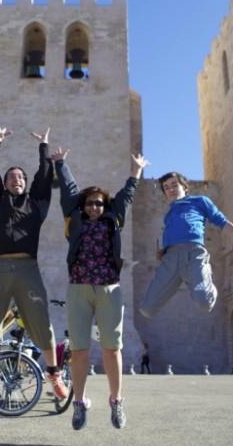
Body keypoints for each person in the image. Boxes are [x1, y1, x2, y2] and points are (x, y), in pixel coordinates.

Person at [0, 123, 68, 401]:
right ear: (4, 183)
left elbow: (44, 176)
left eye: (20, 177)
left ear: (25, 182)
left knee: (42, 322)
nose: (16, 180)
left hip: (28, 269)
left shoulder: (37, 203)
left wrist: (44, 148)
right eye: (11, 177)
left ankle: (54, 374)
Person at [53, 147, 149, 430]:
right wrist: (61, 163)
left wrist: (136, 171)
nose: (94, 207)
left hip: (109, 289)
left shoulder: (114, 218)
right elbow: (69, 190)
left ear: (105, 206)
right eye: (89, 203)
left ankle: (116, 401)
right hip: (79, 289)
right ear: (82, 206)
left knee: (112, 349)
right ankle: (79, 403)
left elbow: (127, 194)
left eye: (98, 203)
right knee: (80, 350)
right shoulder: (75, 219)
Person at [138, 171, 233, 319]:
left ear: (184, 187)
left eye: (174, 185)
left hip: (193, 256)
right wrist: (164, 252)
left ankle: (206, 281)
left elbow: (223, 222)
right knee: (147, 310)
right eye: (166, 188)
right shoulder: (169, 215)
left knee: (204, 303)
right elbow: (174, 237)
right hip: (170, 261)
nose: (171, 189)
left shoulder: (199, 202)